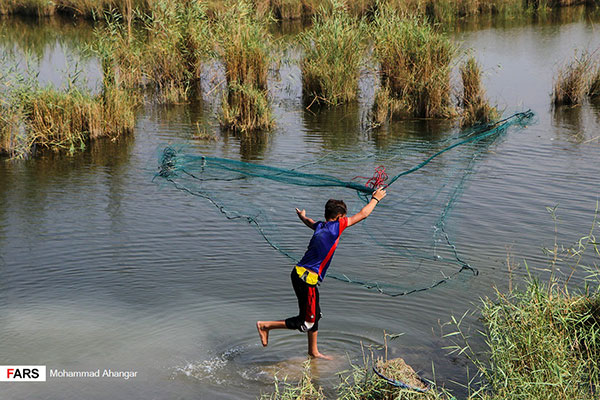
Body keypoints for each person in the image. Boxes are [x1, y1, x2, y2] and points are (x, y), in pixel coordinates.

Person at [256, 187, 387, 359]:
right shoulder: (335, 227)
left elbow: (310, 222)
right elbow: (363, 214)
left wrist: (302, 216)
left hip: (300, 274)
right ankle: (266, 326)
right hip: (306, 279)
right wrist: (375, 199)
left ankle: (313, 352)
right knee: (308, 321)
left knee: (315, 314)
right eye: (344, 217)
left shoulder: (321, 226)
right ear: (339, 217)